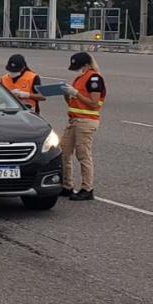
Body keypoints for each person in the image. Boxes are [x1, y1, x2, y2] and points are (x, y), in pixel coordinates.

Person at [61, 52, 105, 201]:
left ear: (86, 65)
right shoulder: (79, 78)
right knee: (64, 152)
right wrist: (67, 94)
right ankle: (67, 186)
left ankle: (87, 188)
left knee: (83, 155)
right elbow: (74, 103)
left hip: (86, 121)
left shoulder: (94, 78)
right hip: (74, 121)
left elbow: (93, 103)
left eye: (78, 66)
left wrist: (75, 93)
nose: (76, 69)